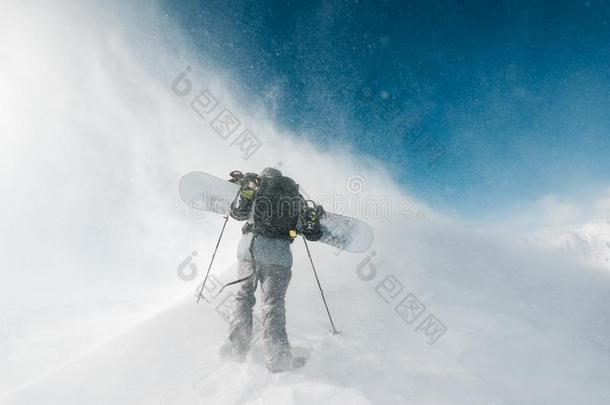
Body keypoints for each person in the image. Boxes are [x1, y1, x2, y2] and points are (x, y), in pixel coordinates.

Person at [219, 167, 324, 372]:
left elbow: (238, 213)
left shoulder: (255, 186)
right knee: (273, 305)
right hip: (279, 257)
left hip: (250, 252)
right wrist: (312, 219)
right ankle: (278, 360)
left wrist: (245, 190)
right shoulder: (295, 197)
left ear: (264, 177)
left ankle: (237, 350)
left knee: (243, 298)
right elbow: (312, 234)